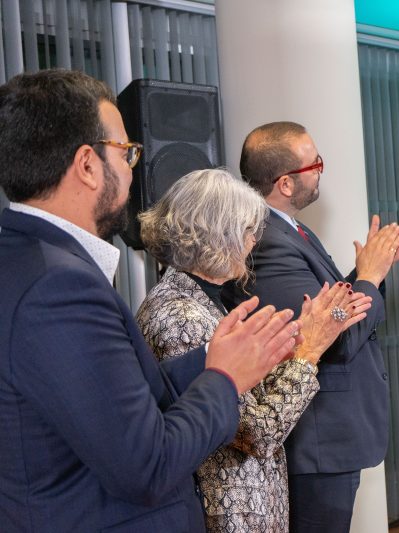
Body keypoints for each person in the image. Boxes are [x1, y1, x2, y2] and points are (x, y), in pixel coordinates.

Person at [0, 69, 301, 532]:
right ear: (87, 165)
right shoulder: (58, 287)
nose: (132, 168)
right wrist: (225, 378)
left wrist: (213, 357)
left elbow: (112, 400)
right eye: (126, 152)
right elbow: (148, 465)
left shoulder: (30, 260)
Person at [135, 168, 372, 532]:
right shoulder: (179, 316)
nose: (253, 242)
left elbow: (249, 398)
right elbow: (257, 432)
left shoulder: (203, 300)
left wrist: (296, 344)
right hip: (227, 515)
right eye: (247, 230)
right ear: (218, 235)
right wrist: (310, 351)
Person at [223, 121, 399, 532]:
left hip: (328, 436)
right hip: (319, 441)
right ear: (284, 183)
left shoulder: (290, 227)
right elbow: (333, 338)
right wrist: (368, 276)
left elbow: (328, 308)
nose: (320, 169)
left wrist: (372, 270)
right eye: (314, 163)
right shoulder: (267, 241)